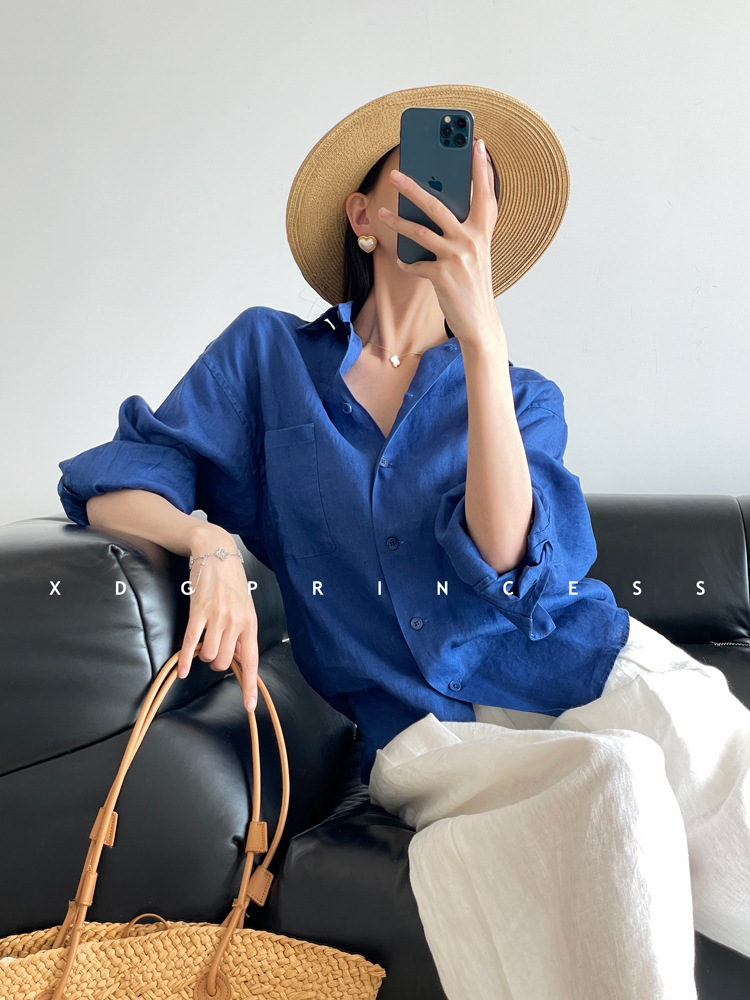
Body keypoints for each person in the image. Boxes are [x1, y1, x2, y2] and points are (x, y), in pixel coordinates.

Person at [57, 84, 750, 999]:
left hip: (583, 664)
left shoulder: (522, 394)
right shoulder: (269, 359)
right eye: (423, 179)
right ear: (362, 217)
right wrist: (206, 541)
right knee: (615, 783)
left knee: (718, 772)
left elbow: (506, 560)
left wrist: (483, 342)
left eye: (471, 191)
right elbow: (115, 480)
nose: (446, 202)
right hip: (419, 724)